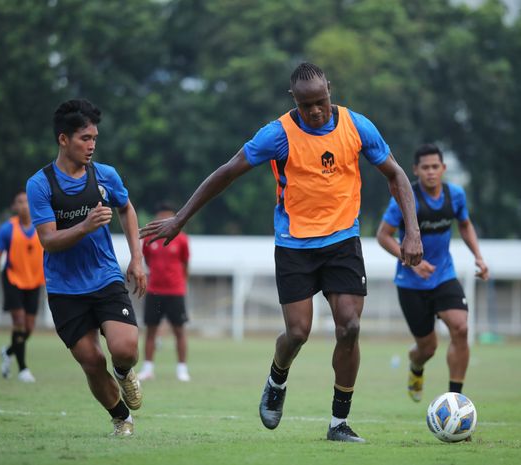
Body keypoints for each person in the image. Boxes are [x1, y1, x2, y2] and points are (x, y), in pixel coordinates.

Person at [140, 62, 422, 443]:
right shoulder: (277, 134)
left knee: (350, 326)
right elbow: (227, 171)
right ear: (295, 101)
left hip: (342, 241)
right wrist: (180, 219)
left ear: (330, 90)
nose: (316, 111)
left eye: (321, 101)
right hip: (295, 246)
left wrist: (412, 232)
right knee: (298, 332)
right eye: (307, 106)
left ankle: (339, 423)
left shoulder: (357, 126)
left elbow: (397, 175)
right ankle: (277, 377)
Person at [26, 99, 147, 436]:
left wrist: (137, 258)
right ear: (63, 139)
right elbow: (48, 240)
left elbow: (127, 208)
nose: (92, 145)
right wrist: (86, 225)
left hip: (104, 276)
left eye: (94, 138)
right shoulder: (40, 185)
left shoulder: (105, 175)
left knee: (124, 350)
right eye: (84, 138)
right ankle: (122, 418)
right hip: (64, 287)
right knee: (92, 362)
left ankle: (124, 373)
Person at [376, 143, 489, 403]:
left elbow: (465, 224)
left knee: (460, 328)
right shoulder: (405, 199)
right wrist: (412, 261)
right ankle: (416, 366)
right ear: (415, 170)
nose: (430, 172)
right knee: (427, 349)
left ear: (443, 168)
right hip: (411, 284)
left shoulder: (456, 195)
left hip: (443, 276)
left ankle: (455, 401)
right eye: (425, 167)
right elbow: (383, 236)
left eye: (435, 167)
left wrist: (479, 257)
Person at [0, 190, 45, 383]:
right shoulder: (7, 229)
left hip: (34, 281)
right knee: (19, 322)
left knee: (29, 328)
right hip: (13, 279)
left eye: (27, 201)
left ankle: (7, 352)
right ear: (14, 207)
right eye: (20, 202)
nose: (24, 204)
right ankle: (23, 369)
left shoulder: (42, 227)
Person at [137, 203, 191, 382]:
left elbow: (185, 264)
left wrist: (182, 285)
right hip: (154, 291)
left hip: (175, 292)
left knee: (179, 330)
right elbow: (147, 261)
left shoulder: (182, 239)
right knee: (151, 330)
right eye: (161, 217)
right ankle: (147, 368)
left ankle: (182, 369)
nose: (164, 220)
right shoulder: (149, 239)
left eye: (168, 217)